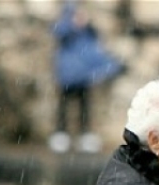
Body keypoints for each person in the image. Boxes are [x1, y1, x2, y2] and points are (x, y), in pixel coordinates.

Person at [49, 2, 124, 153]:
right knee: (64, 107)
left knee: (84, 107)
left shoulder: (89, 35)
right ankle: (61, 134)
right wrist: (71, 23)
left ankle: (84, 134)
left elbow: (97, 55)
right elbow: (57, 31)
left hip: (83, 78)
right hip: (67, 77)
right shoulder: (66, 32)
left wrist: (112, 66)